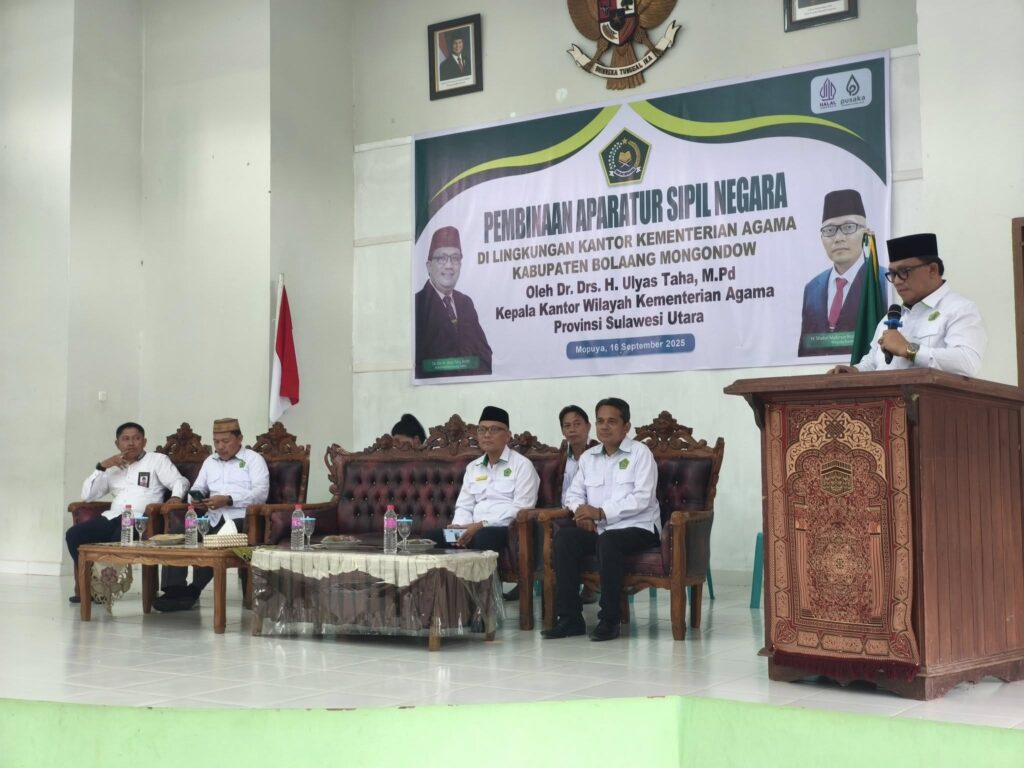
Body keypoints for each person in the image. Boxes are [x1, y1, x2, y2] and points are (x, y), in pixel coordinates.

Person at [542, 397, 660, 642]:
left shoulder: (640, 454)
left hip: (639, 527)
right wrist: (582, 513)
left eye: (612, 421)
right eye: (600, 421)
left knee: (609, 541)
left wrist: (601, 512)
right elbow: (573, 495)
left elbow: (642, 498)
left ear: (626, 426)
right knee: (565, 538)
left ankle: (609, 619)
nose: (605, 427)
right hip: (599, 527)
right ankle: (570, 619)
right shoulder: (589, 457)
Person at [829, 233, 986, 376]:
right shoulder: (891, 317)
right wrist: (855, 371)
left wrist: (909, 350)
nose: (897, 281)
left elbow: (967, 362)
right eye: (893, 274)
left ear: (932, 270)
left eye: (905, 271)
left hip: (928, 398)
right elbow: (874, 362)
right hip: (888, 398)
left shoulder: (959, 309)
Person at [154, 418, 269, 612]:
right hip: (213, 517)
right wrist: (196, 498)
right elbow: (198, 487)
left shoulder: (253, 460)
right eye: (216, 441)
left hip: (243, 520)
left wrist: (229, 500)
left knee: (217, 539)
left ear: (239, 438)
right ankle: (174, 590)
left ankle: (193, 590)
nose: (220, 446)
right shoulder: (210, 461)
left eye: (225, 441)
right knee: (177, 533)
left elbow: (260, 494)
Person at [66, 422, 189, 603]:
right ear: (117, 444)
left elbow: (180, 481)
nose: (131, 443)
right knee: (74, 535)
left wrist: (176, 497)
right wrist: (102, 466)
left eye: (136, 438)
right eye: (126, 439)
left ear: (144, 441)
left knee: (119, 537)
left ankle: (106, 588)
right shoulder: (113, 467)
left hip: (141, 519)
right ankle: (91, 587)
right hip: (112, 516)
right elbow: (88, 495)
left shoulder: (157, 460)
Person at [422, 406, 539, 554]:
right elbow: (464, 505)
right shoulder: (473, 467)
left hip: (502, 529)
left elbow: (522, 509)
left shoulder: (522, 465)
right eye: (482, 429)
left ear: (508, 436)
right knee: (430, 538)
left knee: (483, 536)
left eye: (494, 429)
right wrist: (460, 527)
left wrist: (482, 524)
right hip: (470, 529)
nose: (487, 435)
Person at [799, 189, 885, 357]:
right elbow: (805, 349)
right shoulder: (812, 288)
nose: (838, 238)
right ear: (821, 238)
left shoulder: (881, 281)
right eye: (829, 230)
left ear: (866, 233)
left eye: (848, 227)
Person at [414, 225, 492, 378]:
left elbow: (485, 355)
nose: (449, 266)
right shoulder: (418, 305)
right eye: (441, 258)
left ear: (460, 265)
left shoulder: (466, 303)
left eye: (455, 258)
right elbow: (419, 364)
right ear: (429, 266)